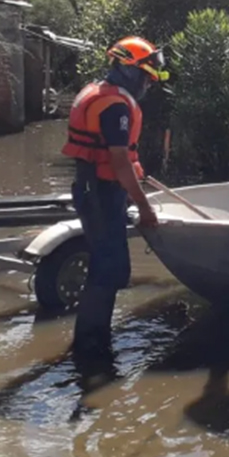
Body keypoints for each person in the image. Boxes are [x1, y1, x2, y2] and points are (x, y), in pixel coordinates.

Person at [60, 35, 169, 361]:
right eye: (147, 77)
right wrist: (145, 206)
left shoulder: (97, 92)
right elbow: (119, 160)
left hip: (96, 189)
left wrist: (133, 189)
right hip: (100, 193)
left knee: (107, 267)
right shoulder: (115, 106)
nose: (148, 85)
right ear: (130, 70)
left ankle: (92, 340)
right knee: (108, 269)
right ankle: (90, 348)